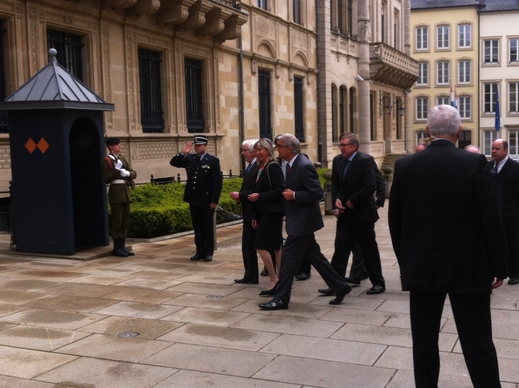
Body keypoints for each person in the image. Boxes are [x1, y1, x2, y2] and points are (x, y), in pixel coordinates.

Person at [388, 104, 507, 388]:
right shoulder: (475, 163)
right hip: (468, 267)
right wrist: (499, 266)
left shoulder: (405, 165)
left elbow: (396, 222)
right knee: (477, 342)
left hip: (422, 267)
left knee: (424, 343)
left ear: (428, 131)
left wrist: (407, 263)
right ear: (459, 131)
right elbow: (492, 218)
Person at [259, 134, 351, 310]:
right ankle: (341, 286)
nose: (276, 149)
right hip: (298, 220)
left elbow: (317, 193)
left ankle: (281, 298)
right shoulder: (287, 163)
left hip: (303, 222)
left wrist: (293, 195)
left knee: (287, 261)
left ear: (289, 149)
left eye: (279, 146)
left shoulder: (304, 165)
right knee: (315, 257)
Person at [323, 132, 386, 295]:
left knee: (368, 249)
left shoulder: (364, 160)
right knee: (341, 248)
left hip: (363, 213)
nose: (341, 148)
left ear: (354, 146)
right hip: (345, 214)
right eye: (340, 145)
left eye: (344, 145)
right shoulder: (338, 161)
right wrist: (337, 201)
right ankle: (335, 283)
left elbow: (370, 186)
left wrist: (351, 201)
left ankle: (378, 283)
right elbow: (336, 185)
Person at [170, 135, 222, 262]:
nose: (197, 148)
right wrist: (183, 153)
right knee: (197, 226)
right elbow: (173, 163)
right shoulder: (190, 158)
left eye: (199, 145)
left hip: (206, 199)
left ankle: (208, 252)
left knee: (207, 227)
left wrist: (214, 200)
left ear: (205, 146)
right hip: (194, 198)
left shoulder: (212, 160)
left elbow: (217, 182)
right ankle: (200, 250)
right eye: (196, 145)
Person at [248, 139, 285, 294]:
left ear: (268, 150)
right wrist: (256, 215)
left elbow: (279, 190)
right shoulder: (260, 167)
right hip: (264, 212)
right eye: (256, 150)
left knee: (260, 244)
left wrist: (260, 196)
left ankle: (274, 278)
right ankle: (282, 279)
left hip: (273, 212)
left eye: (260, 150)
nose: (257, 153)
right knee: (276, 245)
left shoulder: (273, 166)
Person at [346, 154, 386, 286]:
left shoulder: (366, 159)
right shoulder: (342, 160)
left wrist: (380, 200)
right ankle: (360, 272)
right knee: (355, 244)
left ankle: (359, 274)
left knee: (364, 244)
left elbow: (378, 180)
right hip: (350, 212)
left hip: (364, 211)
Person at [101, 137, 137, 257]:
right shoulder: (106, 160)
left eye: (119, 144)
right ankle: (117, 247)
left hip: (125, 192)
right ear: (110, 146)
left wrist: (127, 173)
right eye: (117, 145)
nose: (119, 146)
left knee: (124, 221)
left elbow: (133, 173)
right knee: (117, 221)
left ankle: (123, 246)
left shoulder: (122, 158)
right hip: (116, 193)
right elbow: (106, 179)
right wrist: (116, 171)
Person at [489, 139, 519, 285]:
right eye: (493, 148)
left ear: (506, 150)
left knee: (512, 244)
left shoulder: (514, 167)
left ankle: (514, 273)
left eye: (497, 149)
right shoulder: (488, 167)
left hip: (510, 213)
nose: (494, 151)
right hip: (493, 213)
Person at [230, 139, 260, 284]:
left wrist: (240, 195)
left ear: (253, 152)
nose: (243, 153)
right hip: (248, 212)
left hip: (255, 213)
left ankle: (273, 273)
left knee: (262, 246)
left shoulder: (258, 167)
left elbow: (256, 190)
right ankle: (251, 274)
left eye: (245, 150)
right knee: (247, 246)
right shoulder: (251, 167)